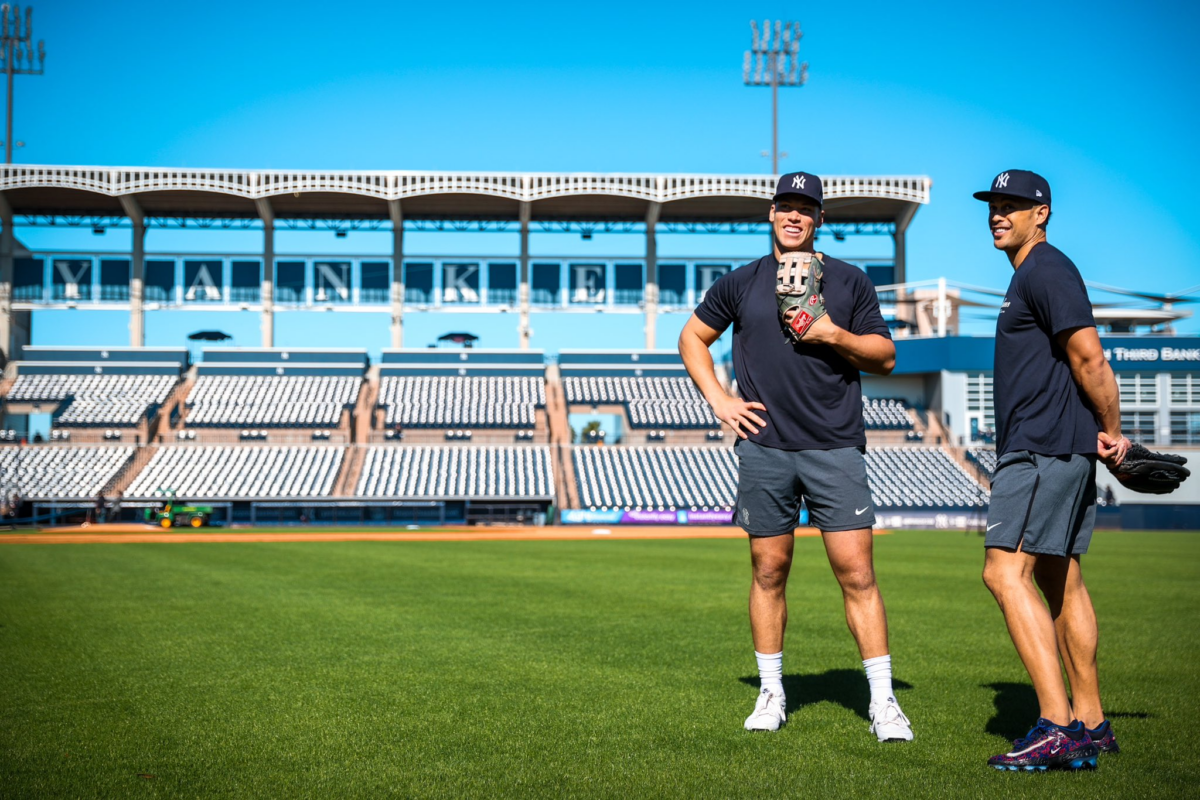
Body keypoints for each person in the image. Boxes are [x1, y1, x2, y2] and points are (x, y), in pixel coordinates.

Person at [678, 171, 912, 742]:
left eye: (805, 209)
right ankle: (772, 692)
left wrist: (832, 334)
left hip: (834, 444)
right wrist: (719, 400)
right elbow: (691, 338)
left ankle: (883, 701)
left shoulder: (852, 282)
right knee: (768, 571)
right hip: (764, 446)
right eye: (785, 206)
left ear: (819, 220)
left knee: (857, 574)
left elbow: (885, 357)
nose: (794, 216)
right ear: (771, 213)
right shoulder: (740, 282)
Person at [973, 170, 1128, 771]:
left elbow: (1089, 355)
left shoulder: (1045, 268)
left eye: (1013, 206)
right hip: (1058, 445)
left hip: (1039, 448)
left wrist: (1112, 430)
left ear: (1042, 213)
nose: (998, 214)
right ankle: (1091, 721)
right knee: (1062, 579)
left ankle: (1057, 726)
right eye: (994, 205)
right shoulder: (1032, 274)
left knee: (1004, 574)